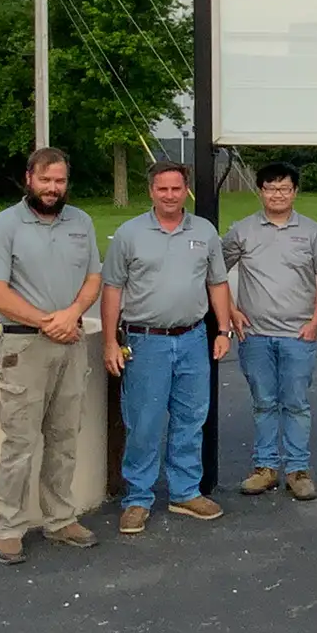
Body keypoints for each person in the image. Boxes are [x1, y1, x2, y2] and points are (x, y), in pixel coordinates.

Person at [0, 147, 103, 566]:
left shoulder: (81, 223)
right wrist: (46, 321)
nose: (53, 188)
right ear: (29, 178)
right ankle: (9, 528)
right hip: (24, 346)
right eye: (46, 180)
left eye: (60, 181)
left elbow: (93, 279)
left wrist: (71, 315)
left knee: (65, 436)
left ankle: (60, 518)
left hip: (70, 342)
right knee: (20, 442)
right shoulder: (4, 225)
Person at [101, 161, 234, 536]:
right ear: (151, 191)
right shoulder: (129, 234)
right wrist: (110, 341)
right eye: (163, 189)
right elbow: (112, 289)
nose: (170, 196)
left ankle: (185, 491)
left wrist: (222, 330)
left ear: (186, 190)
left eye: (176, 189)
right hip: (146, 341)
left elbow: (217, 283)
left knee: (192, 418)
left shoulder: (204, 232)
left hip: (193, 338)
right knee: (144, 422)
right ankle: (138, 499)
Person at [222, 162, 317, 501]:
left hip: (298, 335)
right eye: (271, 189)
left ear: (295, 192)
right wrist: (230, 310)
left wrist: (316, 321)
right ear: (260, 191)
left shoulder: (313, 232)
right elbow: (214, 271)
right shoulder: (242, 231)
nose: (278, 195)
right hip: (254, 334)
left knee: (296, 403)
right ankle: (265, 468)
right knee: (264, 402)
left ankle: (298, 470)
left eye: (284, 188)